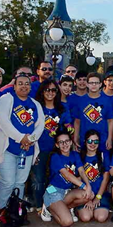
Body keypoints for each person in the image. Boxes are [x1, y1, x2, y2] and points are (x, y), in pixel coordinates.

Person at [0, 73, 45, 217]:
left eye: (27, 83)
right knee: (8, 181)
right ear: (14, 86)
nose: (24, 86)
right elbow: (3, 121)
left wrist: (30, 139)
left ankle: (16, 211)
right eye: (20, 83)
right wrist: (21, 138)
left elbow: (40, 125)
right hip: (7, 148)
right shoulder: (6, 99)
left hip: (27, 150)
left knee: (20, 182)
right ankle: (1, 211)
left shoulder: (35, 104)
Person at [32, 79, 73, 212]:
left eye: (54, 90)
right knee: (39, 179)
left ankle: (52, 204)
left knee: (55, 179)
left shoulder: (62, 108)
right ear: (42, 91)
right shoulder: (36, 107)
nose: (50, 93)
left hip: (57, 150)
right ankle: (39, 205)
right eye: (47, 90)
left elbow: (68, 124)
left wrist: (69, 127)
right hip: (39, 148)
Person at [42, 130, 93, 227]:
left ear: (71, 142)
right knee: (67, 221)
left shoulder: (75, 154)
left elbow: (82, 171)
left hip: (67, 191)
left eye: (67, 141)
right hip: (54, 191)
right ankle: (48, 208)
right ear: (57, 145)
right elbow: (66, 174)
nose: (64, 144)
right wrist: (83, 186)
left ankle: (66, 208)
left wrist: (88, 186)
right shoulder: (55, 157)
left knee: (90, 195)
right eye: (61, 142)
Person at [72, 72, 113, 152]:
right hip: (85, 139)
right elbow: (77, 121)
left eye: (96, 83)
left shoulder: (106, 100)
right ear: (87, 84)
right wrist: (75, 138)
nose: (94, 85)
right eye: (91, 83)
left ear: (101, 84)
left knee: (103, 163)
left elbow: (110, 120)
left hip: (102, 139)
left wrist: (109, 138)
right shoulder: (80, 101)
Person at [77, 130, 111, 223]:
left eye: (96, 141)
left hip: (100, 194)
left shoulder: (104, 156)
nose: (93, 144)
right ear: (85, 142)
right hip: (85, 194)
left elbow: (105, 179)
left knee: (100, 218)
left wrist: (98, 197)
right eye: (89, 141)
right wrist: (87, 199)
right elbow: (78, 179)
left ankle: (100, 206)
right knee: (86, 217)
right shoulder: (79, 157)